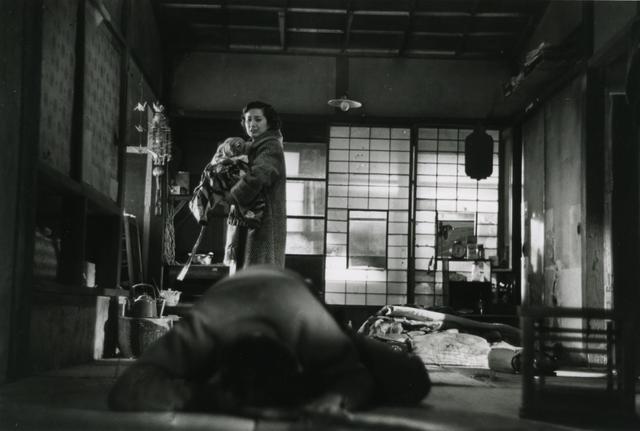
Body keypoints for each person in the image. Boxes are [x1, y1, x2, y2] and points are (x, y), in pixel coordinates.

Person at [108, 266, 431, 415]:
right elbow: (126, 389)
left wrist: (337, 398)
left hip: (299, 294)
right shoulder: (202, 330)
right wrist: (205, 398)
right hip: (237, 294)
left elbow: (355, 377)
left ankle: (352, 345)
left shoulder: (313, 330)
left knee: (411, 383)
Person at [223, 101, 287, 270]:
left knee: (258, 272)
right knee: (251, 272)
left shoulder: (271, 145)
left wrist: (234, 194)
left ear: (269, 122)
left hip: (264, 220)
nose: (252, 124)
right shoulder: (253, 145)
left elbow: (260, 175)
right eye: (248, 120)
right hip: (252, 217)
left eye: (258, 119)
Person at [189, 136, 267, 270]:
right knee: (236, 254)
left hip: (252, 213)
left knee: (248, 254)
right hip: (239, 214)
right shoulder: (221, 166)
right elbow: (215, 179)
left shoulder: (251, 163)